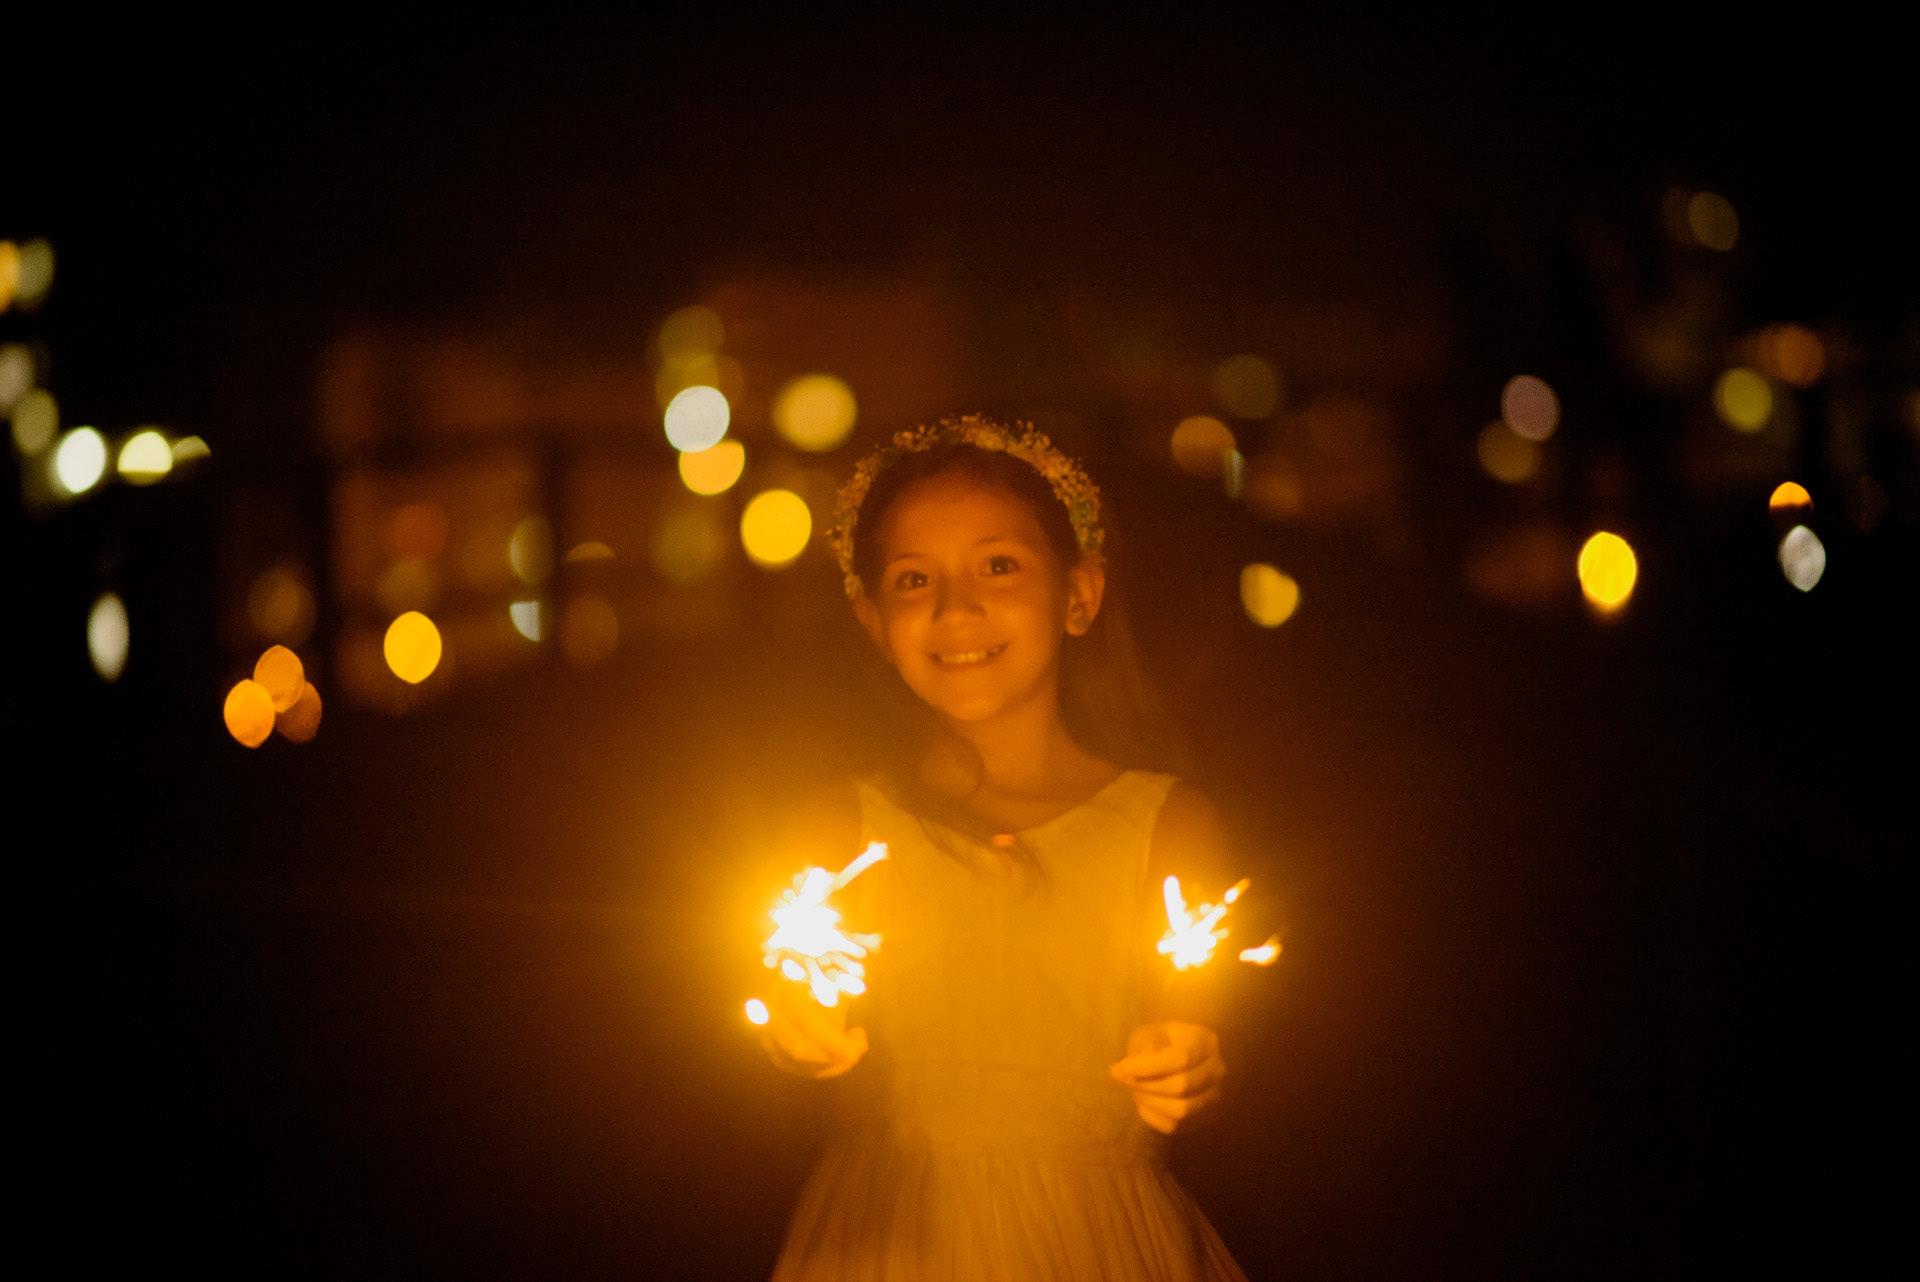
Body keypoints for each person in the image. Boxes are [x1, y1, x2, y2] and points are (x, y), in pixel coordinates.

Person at [757, 416, 1249, 1280]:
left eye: (998, 565)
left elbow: (1204, 1041)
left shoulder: (1168, 825)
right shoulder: (841, 829)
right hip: (891, 1244)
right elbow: (782, 995)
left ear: (1079, 594)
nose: (956, 608)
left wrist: (1198, 1071)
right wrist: (787, 1028)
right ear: (873, 620)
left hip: (1093, 1244)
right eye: (914, 580)